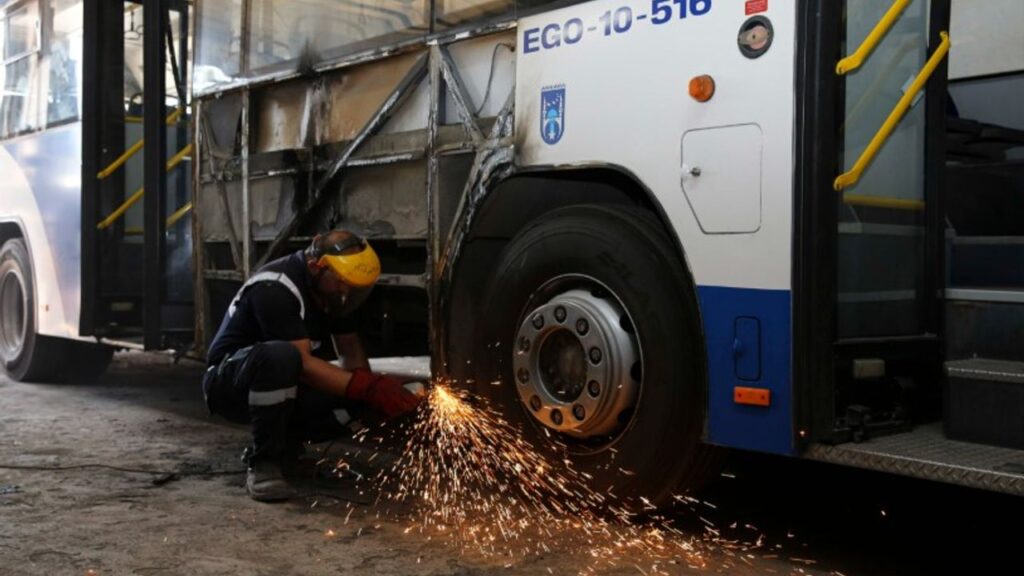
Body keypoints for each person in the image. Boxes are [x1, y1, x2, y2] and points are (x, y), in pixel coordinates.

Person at [202, 230, 424, 501]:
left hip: (284, 375)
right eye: (341, 282)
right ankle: (265, 463)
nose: (346, 291)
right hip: (230, 383)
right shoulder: (275, 287)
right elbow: (303, 364)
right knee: (281, 357)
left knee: (359, 397)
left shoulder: (333, 292)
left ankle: (288, 452)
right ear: (315, 266)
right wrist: (370, 387)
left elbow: (351, 350)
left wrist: (372, 396)